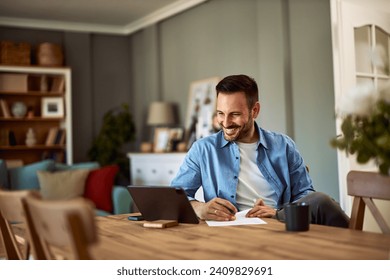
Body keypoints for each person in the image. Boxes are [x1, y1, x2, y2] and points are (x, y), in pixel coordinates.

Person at [171, 74, 349, 227]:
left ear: (254, 110)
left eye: (235, 114)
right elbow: (175, 197)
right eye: (220, 113)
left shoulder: (284, 145)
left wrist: (278, 213)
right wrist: (200, 208)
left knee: (321, 201)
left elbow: (305, 195)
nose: (225, 122)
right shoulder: (203, 149)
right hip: (228, 231)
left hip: (278, 225)